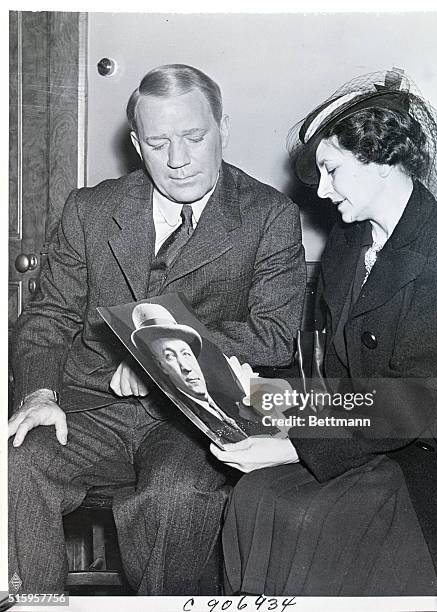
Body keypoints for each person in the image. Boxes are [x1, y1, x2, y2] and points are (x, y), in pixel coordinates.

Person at [8, 64, 306, 595]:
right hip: (88, 406)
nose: (178, 160)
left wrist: (162, 363)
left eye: (194, 137)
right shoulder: (89, 209)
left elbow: (275, 333)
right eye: (158, 141)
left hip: (191, 419)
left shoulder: (268, 216)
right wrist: (37, 392)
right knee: (14, 465)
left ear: (223, 129)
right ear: (136, 144)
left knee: (175, 496)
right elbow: (48, 315)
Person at [212, 69, 437, 596]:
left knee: (304, 518)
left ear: (382, 159)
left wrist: (293, 445)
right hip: (366, 438)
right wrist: (273, 405)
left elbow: (406, 407)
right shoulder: (349, 242)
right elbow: (337, 378)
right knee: (253, 498)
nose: (321, 191)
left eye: (332, 171)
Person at [130, 302, 260, 445]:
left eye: (186, 354)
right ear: (162, 367)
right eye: (170, 356)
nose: (186, 367)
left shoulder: (230, 399)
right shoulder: (183, 417)